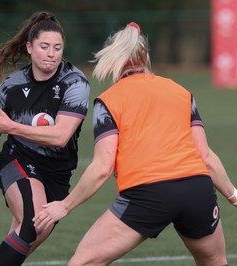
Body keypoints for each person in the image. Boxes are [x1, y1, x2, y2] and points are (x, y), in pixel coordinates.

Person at [33, 22, 237, 266]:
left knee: (83, 262)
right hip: (197, 190)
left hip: (148, 194)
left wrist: (64, 206)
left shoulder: (108, 101)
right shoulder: (181, 91)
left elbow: (102, 168)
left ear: (113, 61)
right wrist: (234, 195)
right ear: (147, 57)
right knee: (215, 261)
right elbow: (205, 157)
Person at [0, 11, 90, 266]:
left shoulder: (74, 82)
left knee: (22, 243)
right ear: (30, 48)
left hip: (58, 173)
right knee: (33, 221)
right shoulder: (11, 87)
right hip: (18, 161)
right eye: (44, 47)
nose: (52, 53)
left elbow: (61, 136)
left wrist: (12, 126)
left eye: (58, 48)